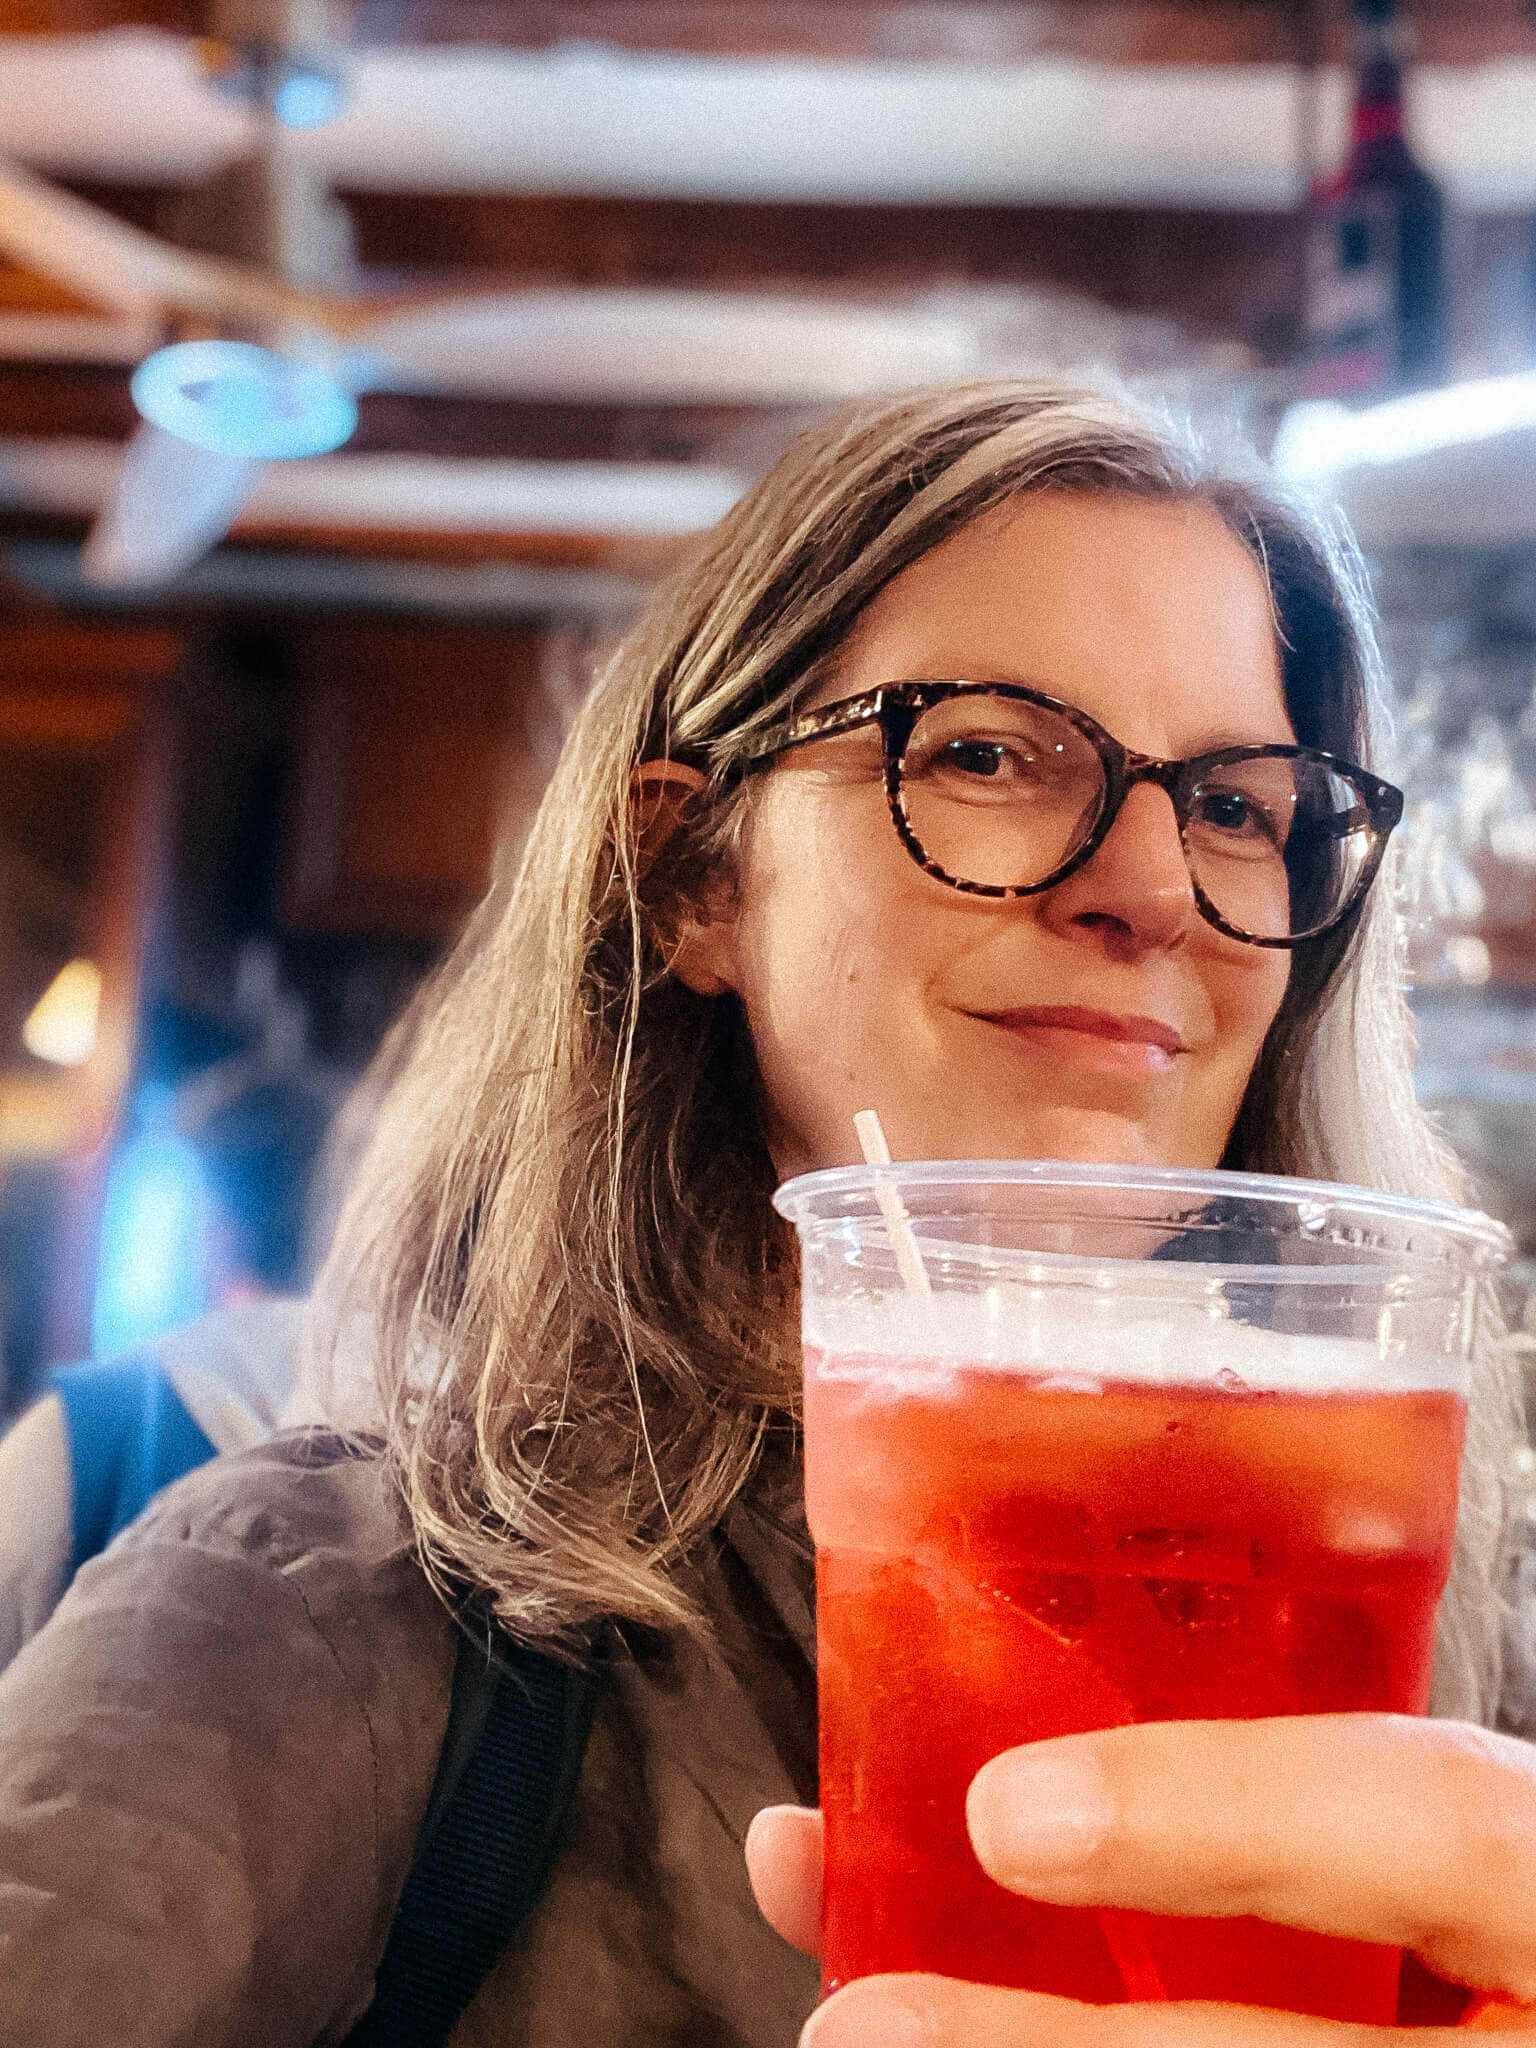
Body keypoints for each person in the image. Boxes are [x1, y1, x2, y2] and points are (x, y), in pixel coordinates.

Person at [0, 377, 1531, 2047]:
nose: (1158, 888)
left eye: (1240, 805)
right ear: (692, 881)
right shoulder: (326, 1613)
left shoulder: (1469, 1680)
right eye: (987, 753)